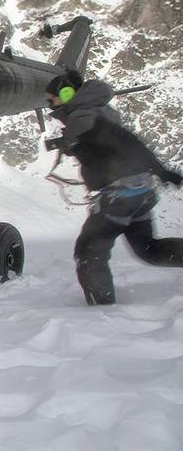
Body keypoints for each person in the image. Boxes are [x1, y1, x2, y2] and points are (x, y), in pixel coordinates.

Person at [45, 69, 183, 305]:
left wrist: (70, 143)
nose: (50, 105)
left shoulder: (82, 115)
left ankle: (102, 312)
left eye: (52, 100)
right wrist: (159, 171)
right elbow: (116, 143)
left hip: (120, 197)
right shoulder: (96, 109)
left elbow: (124, 141)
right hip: (140, 193)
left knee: (89, 251)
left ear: (67, 94)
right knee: (148, 249)